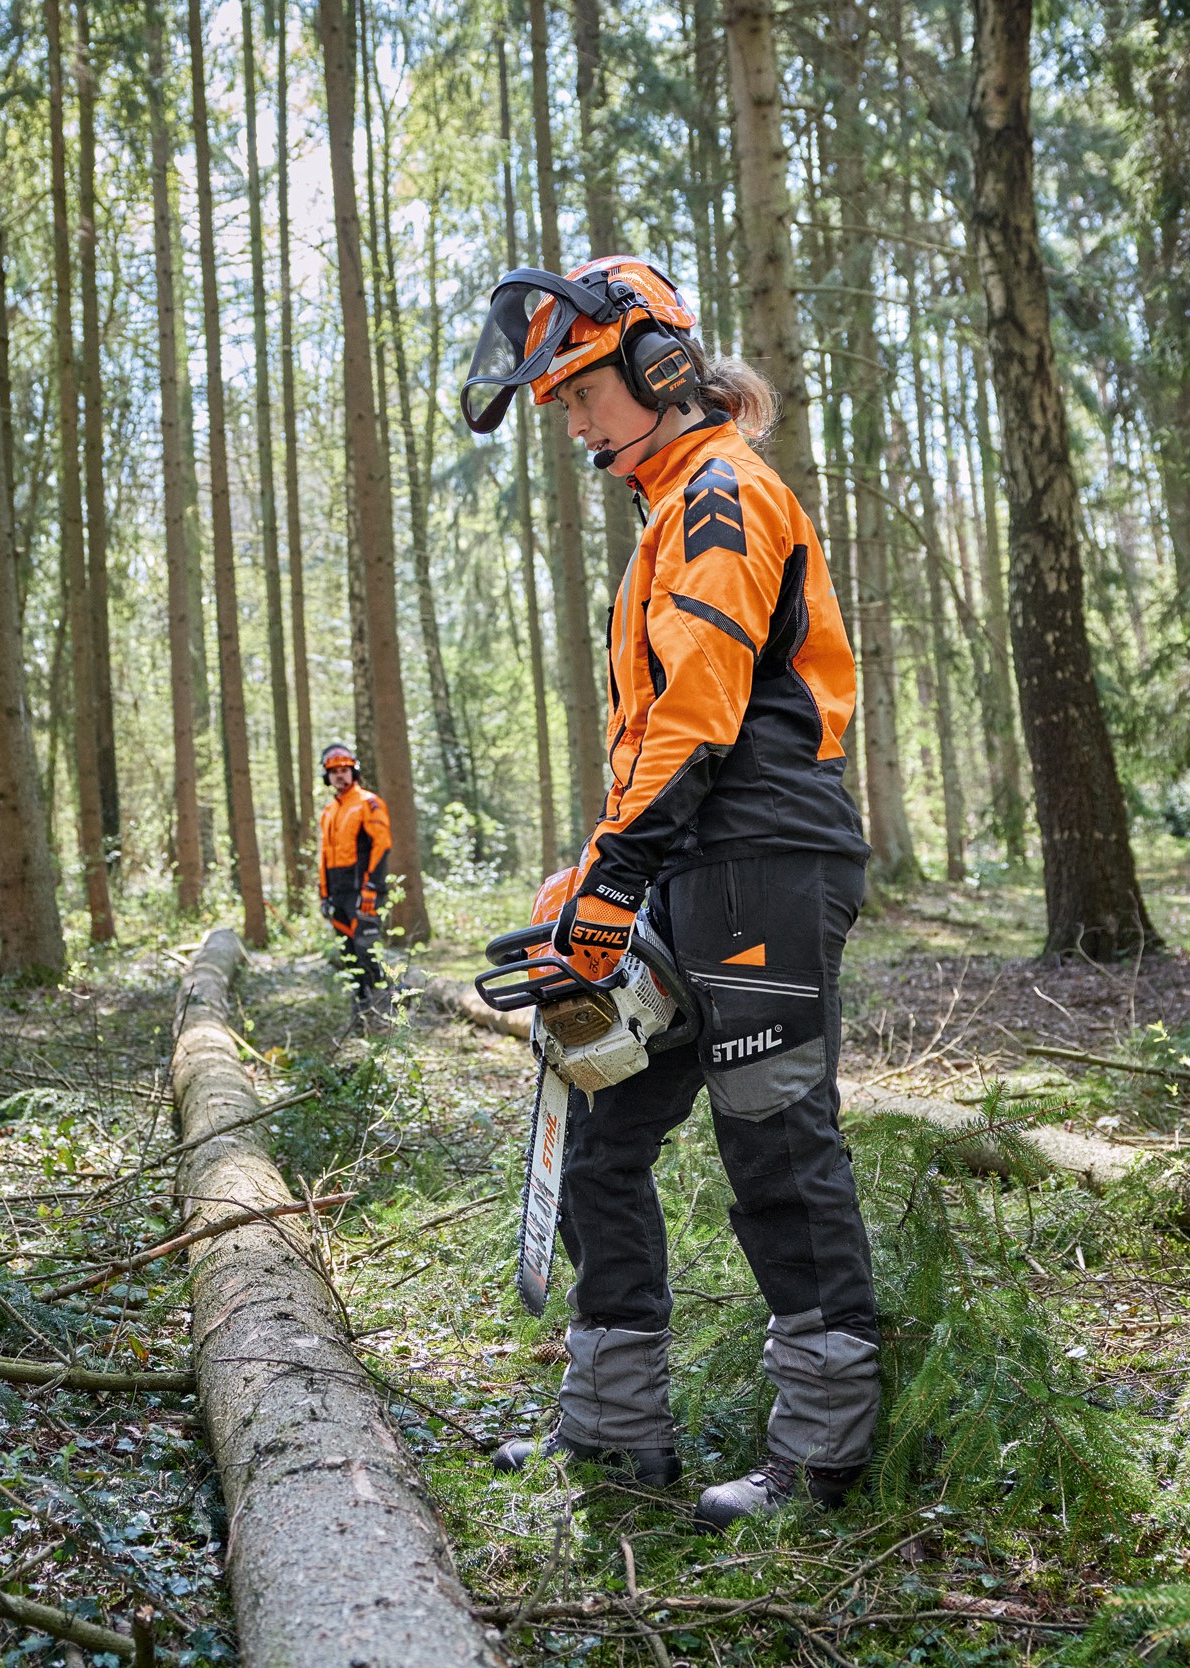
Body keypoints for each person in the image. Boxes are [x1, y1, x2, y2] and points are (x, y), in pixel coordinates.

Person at [462, 256, 877, 1529]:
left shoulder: (719, 497)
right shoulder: (666, 516)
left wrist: (621, 871)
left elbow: (702, 714)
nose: (571, 420)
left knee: (773, 1139)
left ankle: (824, 1454)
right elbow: (657, 732)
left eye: (581, 391)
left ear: (654, 369)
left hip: (761, 861)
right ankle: (612, 1428)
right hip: (690, 862)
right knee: (603, 1136)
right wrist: (594, 871)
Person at [317, 742, 392, 1020]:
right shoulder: (329, 812)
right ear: (327, 776)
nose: (339, 775)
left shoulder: (367, 803)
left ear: (354, 771)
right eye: (334, 771)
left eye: (344, 770)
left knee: (365, 949)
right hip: (338, 893)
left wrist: (372, 886)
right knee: (348, 953)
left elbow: (382, 845)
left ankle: (387, 1002)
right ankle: (361, 1011)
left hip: (364, 890)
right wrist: (324, 895)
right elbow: (324, 856)